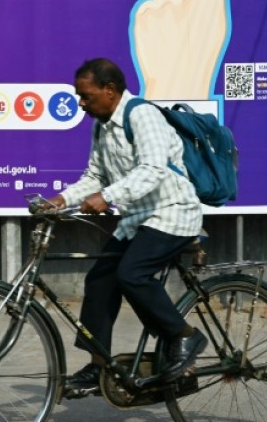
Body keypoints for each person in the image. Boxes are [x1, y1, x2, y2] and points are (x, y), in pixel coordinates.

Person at [45, 58, 207, 397]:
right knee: (100, 280)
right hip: (138, 218)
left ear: (110, 91)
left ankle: (184, 336)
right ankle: (98, 366)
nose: (81, 103)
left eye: (86, 96)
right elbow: (95, 176)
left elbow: (153, 170)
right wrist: (61, 200)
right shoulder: (101, 125)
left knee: (131, 274)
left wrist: (108, 196)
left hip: (173, 212)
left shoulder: (141, 115)